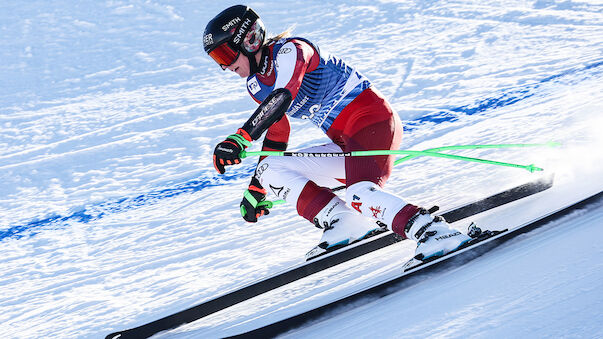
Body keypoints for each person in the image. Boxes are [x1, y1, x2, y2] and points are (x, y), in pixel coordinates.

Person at [203, 5, 471, 260]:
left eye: (225, 55)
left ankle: (435, 232)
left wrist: (242, 137)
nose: (224, 67)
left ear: (249, 40)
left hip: (374, 124)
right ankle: (346, 222)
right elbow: (277, 131)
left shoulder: (292, 50)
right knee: (269, 169)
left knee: (359, 195)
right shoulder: (255, 85)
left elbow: (284, 94)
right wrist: (257, 188)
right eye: (217, 60)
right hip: (347, 144)